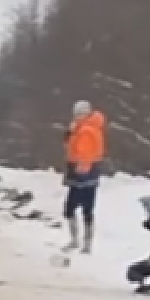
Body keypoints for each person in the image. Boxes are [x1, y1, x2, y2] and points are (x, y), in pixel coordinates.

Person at [63, 100, 106, 253]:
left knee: (70, 208)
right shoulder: (88, 128)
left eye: (79, 114)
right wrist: (70, 133)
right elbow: (70, 144)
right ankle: (86, 243)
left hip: (82, 173)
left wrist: (81, 170)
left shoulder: (86, 130)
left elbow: (84, 152)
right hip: (90, 172)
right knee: (87, 208)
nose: (76, 116)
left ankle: (77, 241)